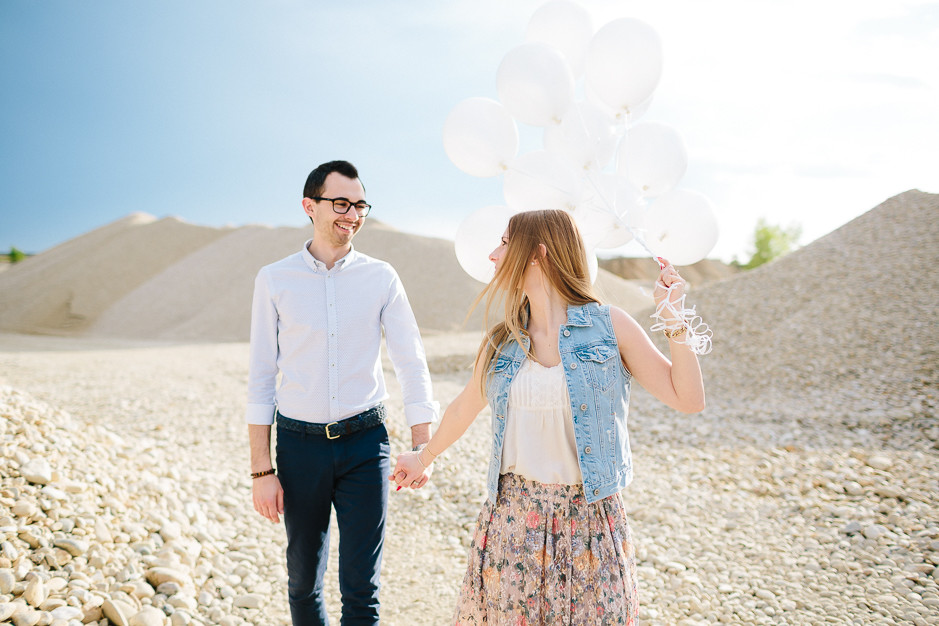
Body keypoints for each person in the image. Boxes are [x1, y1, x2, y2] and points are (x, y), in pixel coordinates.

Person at [391, 209, 705, 625]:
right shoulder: (502, 340)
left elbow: (688, 398)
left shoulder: (611, 326)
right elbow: (464, 407)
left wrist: (673, 319)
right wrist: (422, 457)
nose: (492, 255)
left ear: (537, 253)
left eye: (504, 243)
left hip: (591, 520)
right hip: (512, 522)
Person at [247, 160, 438, 625]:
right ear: (309, 207)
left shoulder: (382, 277)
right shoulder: (274, 279)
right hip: (298, 447)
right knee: (302, 581)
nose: (351, 214)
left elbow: (410, 360)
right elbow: (261, 377)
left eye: (359, 205)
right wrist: (261, 472)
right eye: (340, 203)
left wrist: (423, 447)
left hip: (365, 445)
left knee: (361, 588)